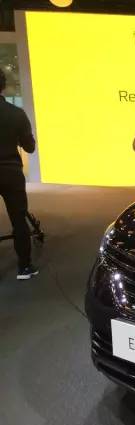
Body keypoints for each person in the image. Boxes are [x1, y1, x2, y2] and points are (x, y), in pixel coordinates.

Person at [0, 69, 38, 280]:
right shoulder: (16, 114)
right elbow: (29, 147)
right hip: (11, 173)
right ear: (3, 86)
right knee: (18, 220)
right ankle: (24, 267)